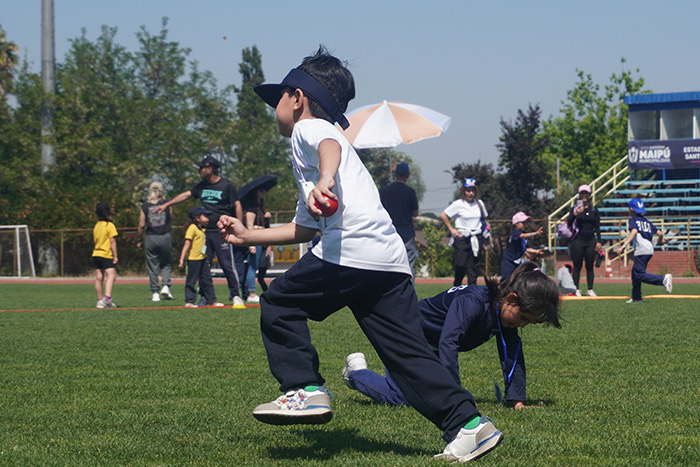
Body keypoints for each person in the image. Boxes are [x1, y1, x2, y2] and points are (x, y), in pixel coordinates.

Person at [217, 47, 503, 463]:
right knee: (406, 355)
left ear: (297, 98)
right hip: (388, 262)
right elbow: (304, 228)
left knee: (279, 302)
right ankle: (469, 425)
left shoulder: (310, 130)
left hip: (351, 249)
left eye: (278, 97)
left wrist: (325, 179)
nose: (275, 106)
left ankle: (304, 389)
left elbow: (329, 144)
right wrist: (249, 236)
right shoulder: (316, 156)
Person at [343, 262, 561, 409]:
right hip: (405, 335)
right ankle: (355, 374)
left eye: (528, 323)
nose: (522, 325)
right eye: (523, 318)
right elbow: (449, 342)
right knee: (402, 397)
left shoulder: (504, 314)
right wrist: (457, 396)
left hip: (431, 347)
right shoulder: (473, 302)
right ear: (511, 299)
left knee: (428, 397)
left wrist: (517, 400)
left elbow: (512, 355)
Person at [155, 156, 247, 309]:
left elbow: (237, 205)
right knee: (204, 266)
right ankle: (205, 297)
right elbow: (186, 195)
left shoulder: (226, 185)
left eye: (201, 168)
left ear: (210, 169)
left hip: (221, 232)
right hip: (203, 233)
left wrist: (239, 226)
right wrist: (167, 204)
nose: (199, 171)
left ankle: (236, 295)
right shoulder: (202, 186)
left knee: (227, 265)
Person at [614, 198, 673, 303]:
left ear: (631, 209)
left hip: (641, 250)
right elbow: (660, 233)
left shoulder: (633, 220)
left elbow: (634, 231)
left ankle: (662, 279)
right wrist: (660, 241)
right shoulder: (647, 222)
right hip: (649, 249)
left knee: (639, 274)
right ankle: (636, 297)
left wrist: (623, 246)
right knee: (635, 273)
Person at [440, 178, 490, 287]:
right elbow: (443, 215)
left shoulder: (479, 203)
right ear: (464, 191)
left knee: (474, 265)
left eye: (472, 190)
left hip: (476, 237)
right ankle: (457, 285)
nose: (470, 193)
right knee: (461, 264)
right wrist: (451, 229)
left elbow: (485, 218)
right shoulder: (458, 204)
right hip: (462, 237)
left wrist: (486, 230)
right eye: (468, 191)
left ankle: (472, 288)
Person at [178, 207, 225, 308]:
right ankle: (190, 301)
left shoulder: (202, 229)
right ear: (197, 218)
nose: (208, 218)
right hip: (194, 260)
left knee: (207, 280)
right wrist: (182, 258)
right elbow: (187, 244)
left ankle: (212, 301)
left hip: (203, 258)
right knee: (191, 281)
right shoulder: (192, 228)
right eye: (205, 216)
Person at [380, 162, 419, 278]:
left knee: (389, 262)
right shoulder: (410, 192)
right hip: (406, 231)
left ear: (395, 174)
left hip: (388, 231)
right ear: (408, 175)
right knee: (409, 263)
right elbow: (415, 213)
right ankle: (409, 287)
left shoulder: (385, 190)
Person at [137, 181, 173, 302]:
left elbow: (141, 225)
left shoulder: (144, 207)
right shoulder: (167, 204)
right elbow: (171, 218)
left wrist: (139, 239)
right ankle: (166, 285)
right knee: (166, 263)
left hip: (151, 237)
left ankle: (155, 292)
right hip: (165, 235)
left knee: (152, 266)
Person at [566, 184, 602, 297]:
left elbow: (597, 226)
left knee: (589, 266)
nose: (584, 195)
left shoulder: (593, 209)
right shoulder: (574, 209)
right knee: (577, 266)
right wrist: (575, 214)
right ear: (579, 195)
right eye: (582, 193)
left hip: (590, 240)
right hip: (578, 240)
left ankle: (590, 289)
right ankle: (576, 289)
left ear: (589, 195)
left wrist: (599, 241)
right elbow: (569, 223)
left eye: (586, 193)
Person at [242, 188, 273, 301]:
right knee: (252, 266)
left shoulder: (260, 208)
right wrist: (252, 244)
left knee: (257, 266)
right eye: (261, 190)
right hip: (255, 238)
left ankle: (252, 292)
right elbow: (249, 226)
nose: (264, 193)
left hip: (261, 238)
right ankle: (251, 293)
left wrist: (266, 218)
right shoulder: (251, 208)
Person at [500, 212, 544, 282]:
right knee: (506, 280)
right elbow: (523, 235)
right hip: (509, 261)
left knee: (517, 280)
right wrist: (535, 233)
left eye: (525, 222)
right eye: (522, 222)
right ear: (516, 224)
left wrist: (536, 251)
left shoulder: (523, 238)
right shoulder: (516, 233)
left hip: (517, 262)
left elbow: (527, 249)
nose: (524, 224)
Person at [92, 202, 118, 308]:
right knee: (112, 275)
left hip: (96, 254)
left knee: (99, 277)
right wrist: (115, 255)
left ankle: (100, 300)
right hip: (105, 254)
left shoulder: (96, 226)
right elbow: (112, 241)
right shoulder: (109, 225)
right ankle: (107, 298)